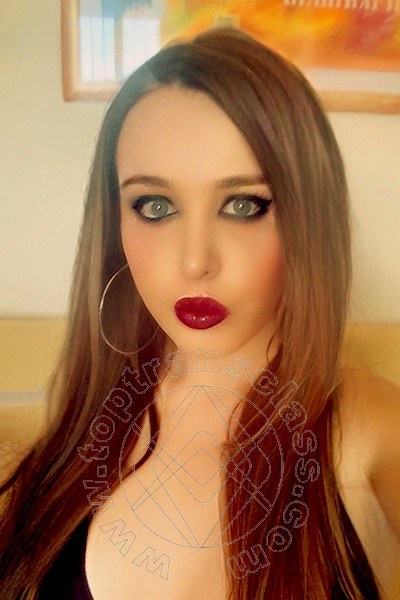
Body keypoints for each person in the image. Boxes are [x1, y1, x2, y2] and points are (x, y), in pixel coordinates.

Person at [0, 25, 399, 600]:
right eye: (154, 206)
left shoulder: (370, 423)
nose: (194, 262)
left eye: (243, 205)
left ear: (310, 218)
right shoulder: (89, 397)